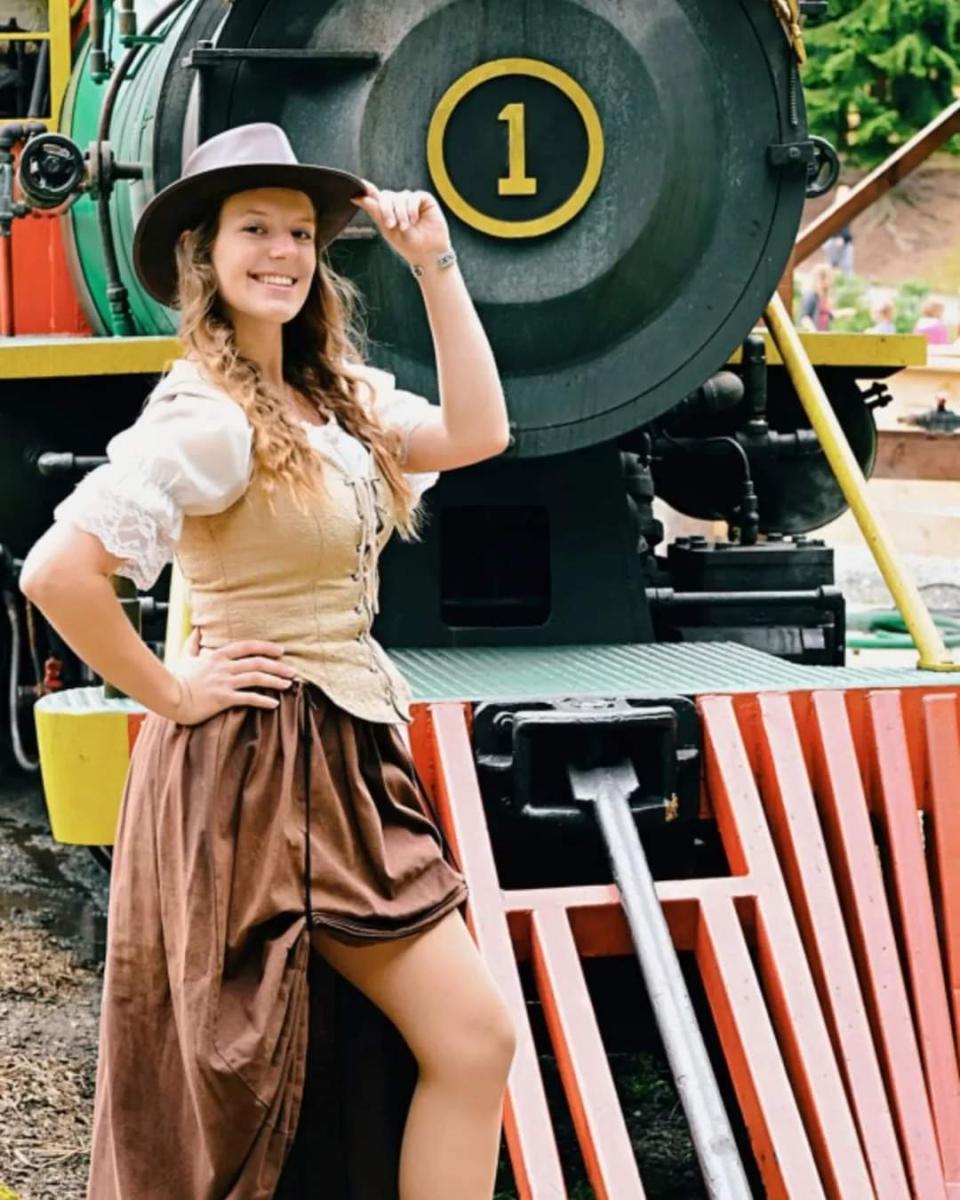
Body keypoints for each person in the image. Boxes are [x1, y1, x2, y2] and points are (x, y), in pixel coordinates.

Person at [20, 123, 516, 1200]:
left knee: (422, 1054)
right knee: (424, 1047)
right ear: (204, 254)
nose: (282, 251)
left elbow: (480, 432)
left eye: (299, 232)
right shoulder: (205, 414)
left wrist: (435, 264)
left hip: (345, 753)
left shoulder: (336, 399)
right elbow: (58, 572)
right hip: (254, 767)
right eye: (254, 229)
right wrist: (171, 691)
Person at [823, 184, 855, 277]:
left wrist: (844, 238)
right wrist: (838, 237)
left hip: (844, 242)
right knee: (831, 267)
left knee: (846, 268)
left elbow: (846, 228)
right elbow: (829, 226)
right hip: (834, 241)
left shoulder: (848, 209)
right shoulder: (834, 210)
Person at [798, 263, 835, 332]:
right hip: (814, 335)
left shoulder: (823, 297)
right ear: (821, 278)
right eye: (830, 277)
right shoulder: (811, 295)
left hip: (824, 335)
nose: (832, 280)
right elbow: (805, 318)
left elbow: (827, 315)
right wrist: (815, 332)